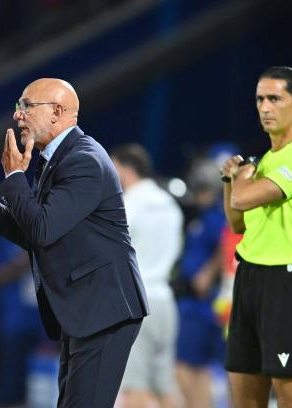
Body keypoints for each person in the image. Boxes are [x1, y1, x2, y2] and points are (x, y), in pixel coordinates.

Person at [0, 78, 149, 408]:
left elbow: (42, 229)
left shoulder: (83, 159)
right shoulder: (57, 158)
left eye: (26, 106)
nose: (18, 115)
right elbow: (32, 232)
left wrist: (14, 177)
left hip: (104, 310)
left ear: (57, 112)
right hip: (86, 309)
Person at [221, 66, 292, 408]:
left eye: (274, 98)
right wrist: (230, 182)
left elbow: (244, 197)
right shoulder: (268, 161)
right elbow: (238, 223)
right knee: (244, 398)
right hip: (250, 277)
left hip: (289, 280)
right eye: (259, 99)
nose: (265, 107)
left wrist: (241, 179)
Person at [111, 143, 183, 408]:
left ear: (127, 170)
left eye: (113, 166)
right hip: (165, 301)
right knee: (164, 387)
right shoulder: (170, 204)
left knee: (134, 388)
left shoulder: (126, 205)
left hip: (136, 301)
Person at [174, 158, 229, 408]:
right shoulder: (205, 215)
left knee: (183, 368)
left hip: (199, 305)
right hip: (198, 302)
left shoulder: (215, 216)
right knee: (199, 369)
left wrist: (207, 272)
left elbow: (228, 241)